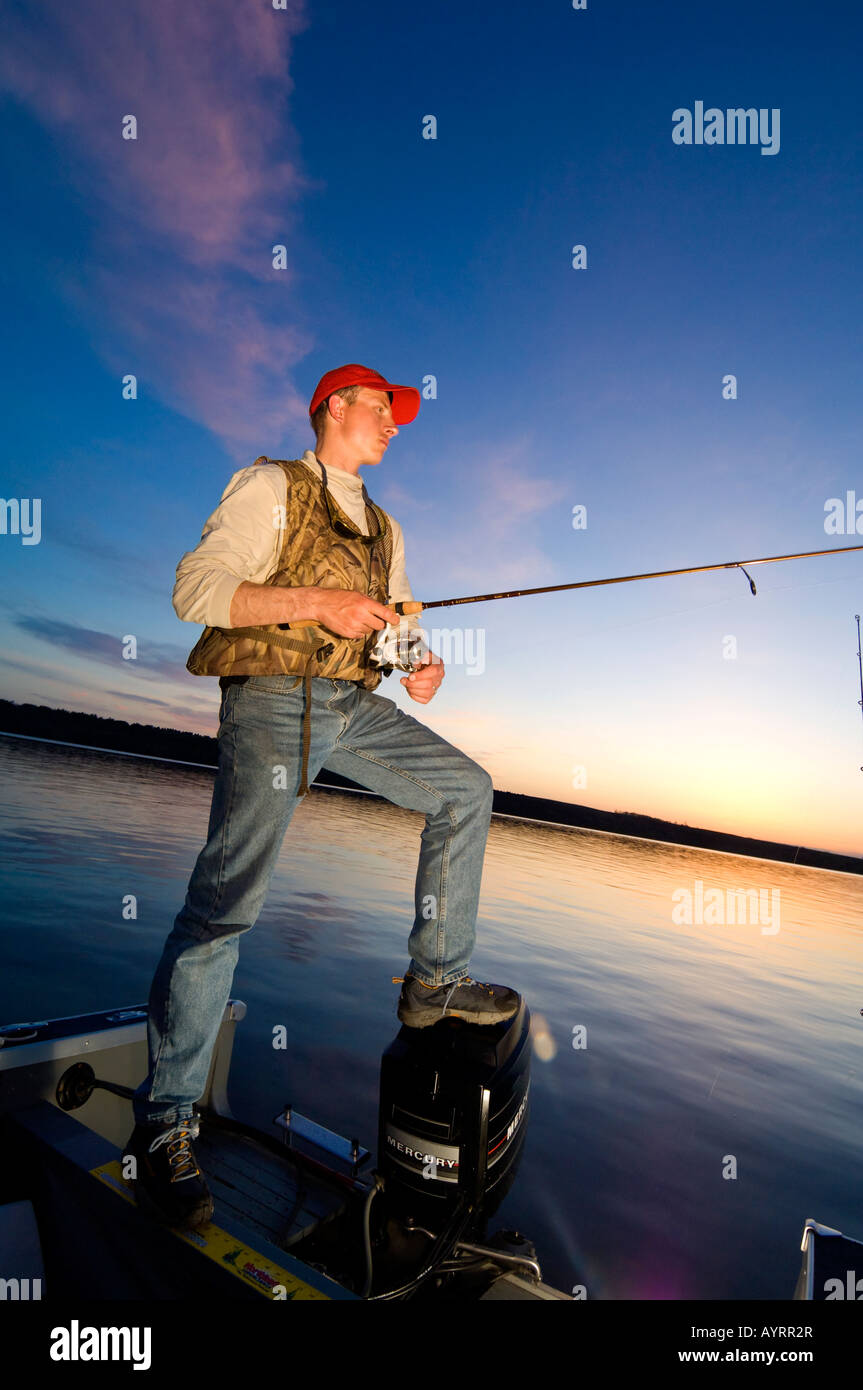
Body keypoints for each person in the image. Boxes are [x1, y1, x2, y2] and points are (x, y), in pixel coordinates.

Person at [124, 364, 520, 1229]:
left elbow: (390, 632)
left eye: (397, 414)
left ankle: (434, 982)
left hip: (350, 706)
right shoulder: (270, 486)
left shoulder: (386, 527)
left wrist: (417, 662)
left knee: (465, 790)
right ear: (336, 407)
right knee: (226, 907)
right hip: (271, 704)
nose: (392, 425)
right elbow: (196, 588)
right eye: (383, 408)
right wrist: (318, 603)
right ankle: (164, 1122)